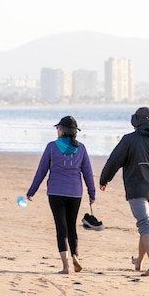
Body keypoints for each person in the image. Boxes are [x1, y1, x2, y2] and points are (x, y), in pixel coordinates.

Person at [99, 107, 149, 276]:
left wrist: (104, 179)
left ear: (136, 121)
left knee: (145, 226)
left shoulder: (129, 140)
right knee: (146, 225)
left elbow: (114, 160)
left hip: (136, 189)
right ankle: (139, 262)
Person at [27, 116, 96, 274]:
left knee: (61, 228)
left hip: (56, 192)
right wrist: (92, 193)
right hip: (75, 193)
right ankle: (75, 256)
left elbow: (41, 171)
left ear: (62, 130)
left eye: (58, 128)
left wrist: (32, 191)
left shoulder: (51, 147)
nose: (57, 130)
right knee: (72, 226)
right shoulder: (82, 148)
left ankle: (65, 266)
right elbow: (88, 173)